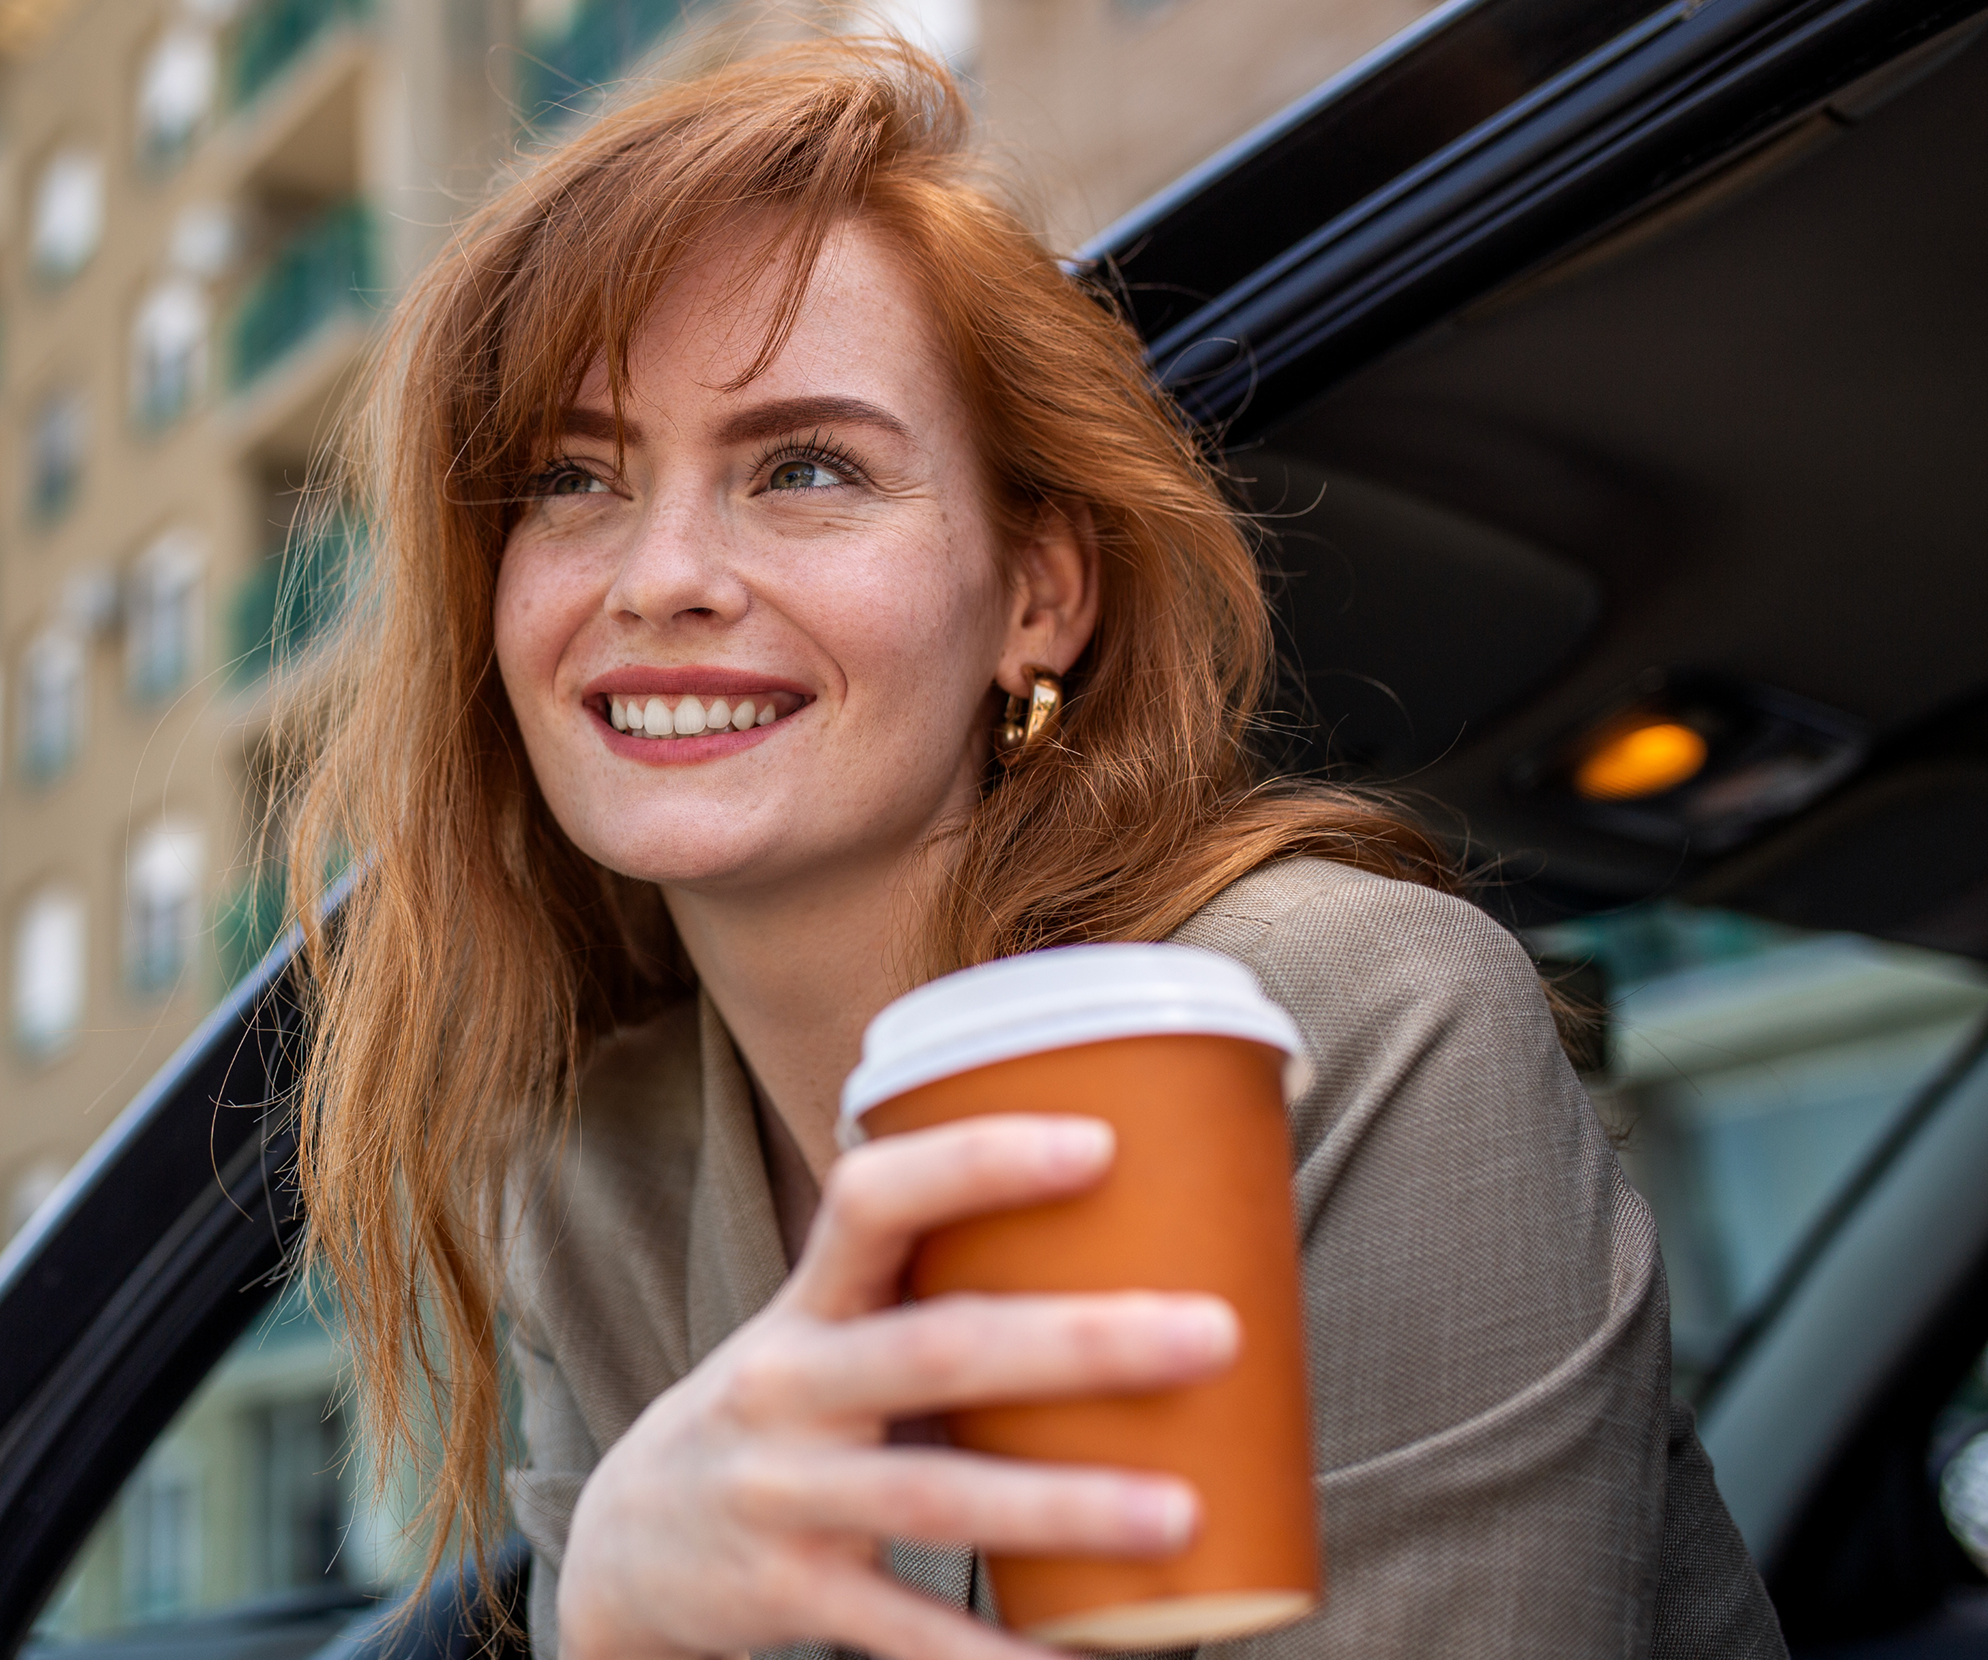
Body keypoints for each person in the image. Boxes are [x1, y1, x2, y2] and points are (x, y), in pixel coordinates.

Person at [272, 37, 1783, 1659]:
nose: (661, 574)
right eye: (572, 479)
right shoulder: (594, 1175)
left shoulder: (1344, 1019)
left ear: (1035, 597)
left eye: (805, 466)